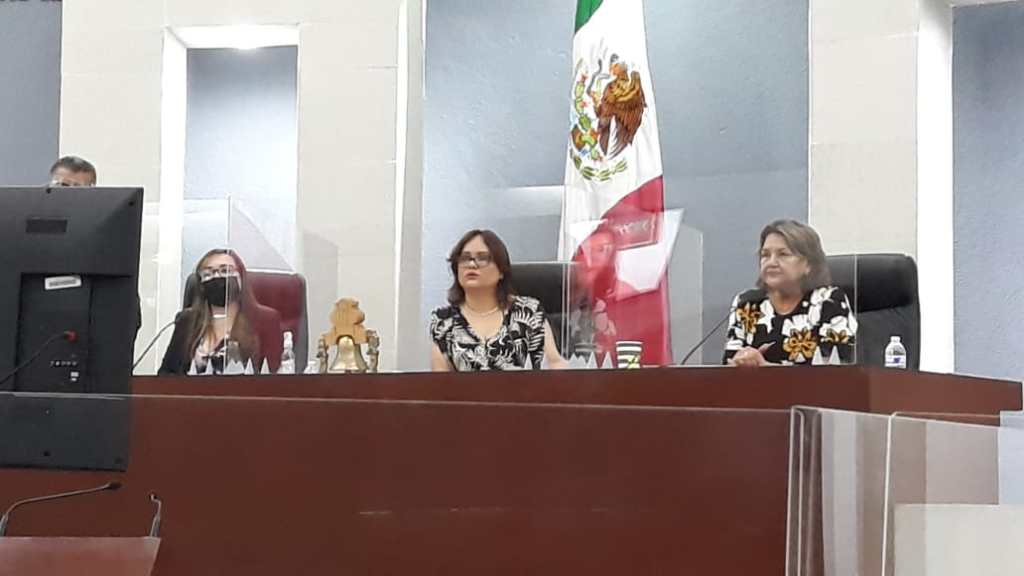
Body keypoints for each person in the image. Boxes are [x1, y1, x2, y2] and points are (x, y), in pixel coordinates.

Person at [723, 220, 857, 367]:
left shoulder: (829, 301)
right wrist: (740, 362)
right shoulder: (747, 303)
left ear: (808, 264)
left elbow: (836, 371)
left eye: (783, 254)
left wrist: (765, 368)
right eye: (765, 255)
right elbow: (728, 367)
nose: (771, 262)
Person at [430, 230, 568, 371]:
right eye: (465, 258)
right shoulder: (443, 321)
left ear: (501, 270)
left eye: (482, 258)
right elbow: (439, 380)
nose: (472, 264)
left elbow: (554, 364)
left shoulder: (528, 311)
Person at [159, 249, 283, 375]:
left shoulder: (265, 320)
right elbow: (165, 375)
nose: (217, 277)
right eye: (208, 273)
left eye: (225, 271)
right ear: (200, 284)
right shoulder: (187, 321)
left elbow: (276, 374)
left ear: (241, 278)